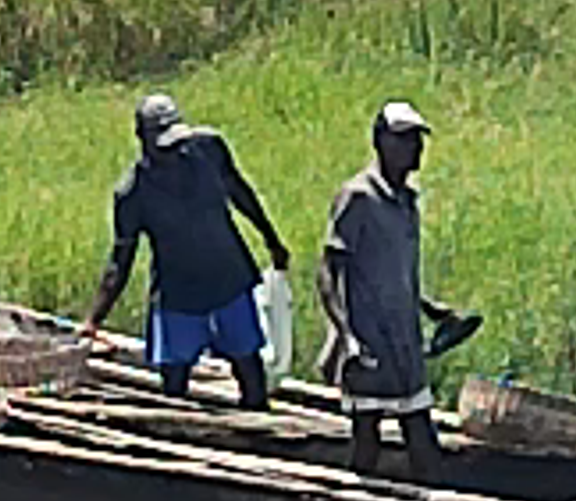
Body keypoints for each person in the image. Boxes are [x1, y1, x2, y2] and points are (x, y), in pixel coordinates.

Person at [82, 85, 291, 400]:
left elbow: (240, 193)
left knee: (249, 366)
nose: (173, 153)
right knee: (174, 381)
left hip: (229, 279)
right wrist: (94, 319)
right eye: (163, 147)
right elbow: (120, 262)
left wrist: (271, 240)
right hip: (179, 294)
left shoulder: (209, 149)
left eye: (176, 143)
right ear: (142, 140)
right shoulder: (132, 193)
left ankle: (258, 418)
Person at [316, 98, 482, 467]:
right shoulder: (358, 197)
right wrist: (346, 335)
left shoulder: (406, 201)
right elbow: (328, 271)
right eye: (403, 139)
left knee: (421, 439)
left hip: (403, 341)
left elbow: (393, 270)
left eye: (416, 140)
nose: (414, 148)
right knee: (368, 441)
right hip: (369, 344)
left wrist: (429, 307)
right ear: (380, 142)